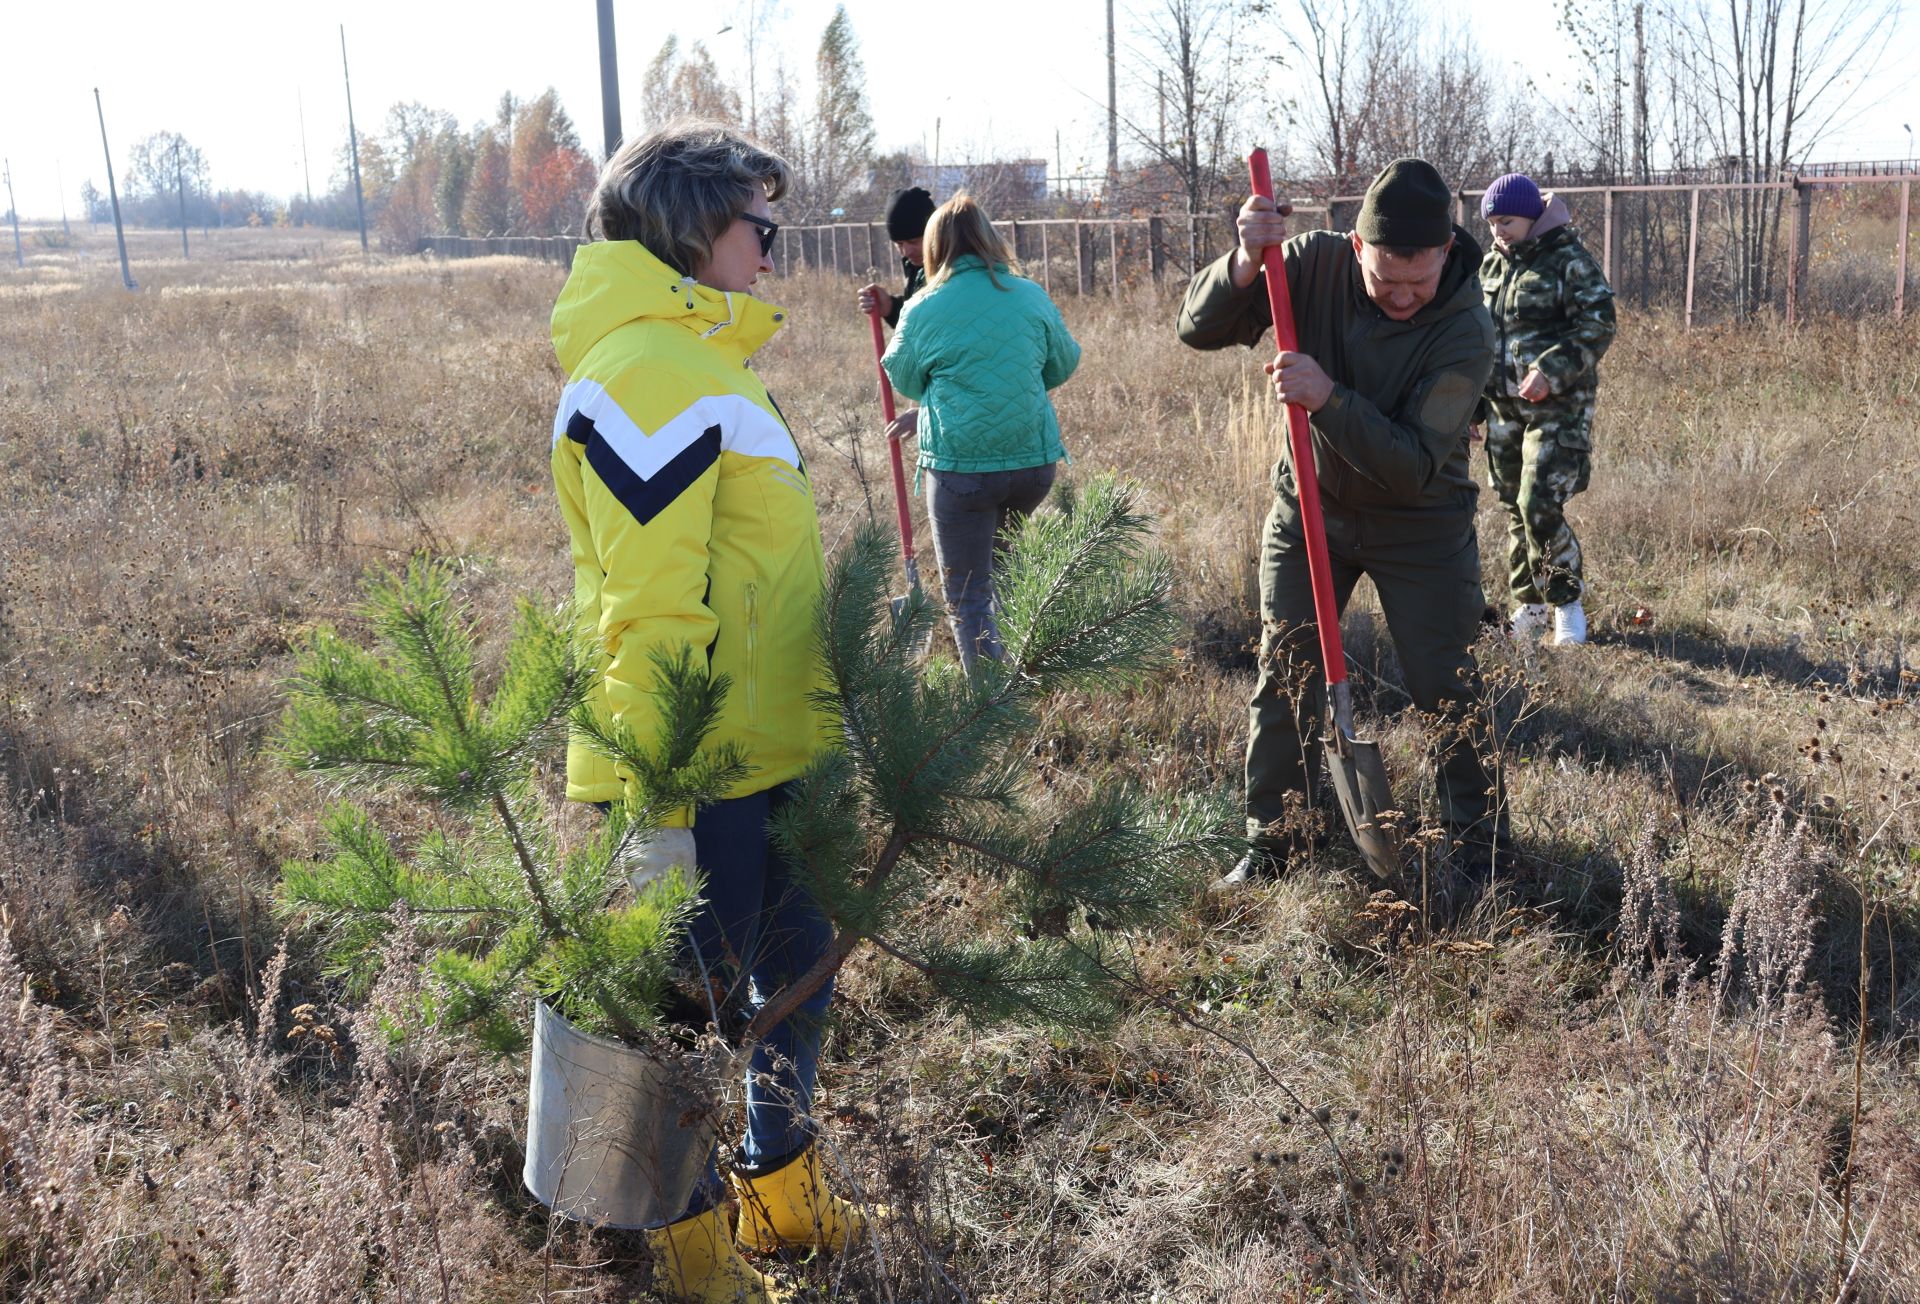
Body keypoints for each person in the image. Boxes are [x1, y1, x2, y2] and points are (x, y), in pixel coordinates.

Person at [550, 122, 859, 1304]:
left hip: (767, 747)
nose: (774, 252)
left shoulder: (700, 358)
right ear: (690, 230)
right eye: (759, 226)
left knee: (793, 975)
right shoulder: (648, 371)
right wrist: (656, 806)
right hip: (702, 767)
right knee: (681, 1010)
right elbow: (647, 612)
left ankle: (782, 1203)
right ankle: (690, 1261)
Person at [1177, 158, 1507, 887]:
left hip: (1421, 524)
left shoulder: (1466, 330)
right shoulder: (1312, 265)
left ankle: (1480, 850)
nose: (1400, 296)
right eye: (1384, 279)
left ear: (1446, 254)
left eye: (1417, 283)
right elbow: (1197, 328)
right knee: (1286, 669)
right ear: (1356, 247)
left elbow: (1412, 462)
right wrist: (1242, 263)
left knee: (1447, 685)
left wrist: (1327, 398)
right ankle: (1277, 841)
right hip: (1313, 512)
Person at [880, 193, 1081, 672]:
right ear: (990, 238)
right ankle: (1026, 676)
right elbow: (1064, 362)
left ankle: (989, 712)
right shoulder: (1029, 294)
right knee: (1009, 578)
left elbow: (904, 378)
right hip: (1032, 465)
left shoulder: (924, 305)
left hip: (960, 470)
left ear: (934, 246)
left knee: (968, 598)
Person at [1476, 172, 1617, 646]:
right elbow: (1478, 339)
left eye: (1508, 220)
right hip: (1502, 410)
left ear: (1533, 216)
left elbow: (1599, 323)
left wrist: (1551, 370)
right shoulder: (1491, 266)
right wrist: (1473, 407)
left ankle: (1566, 606)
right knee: (1515, 509)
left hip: (1558, 410)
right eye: (1493, 222)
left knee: (1539, 503)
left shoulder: (1567, 260)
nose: (1499, 230)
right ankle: (1530, 606)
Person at [856, 184, 935, 325]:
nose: (906, 251)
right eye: (899, 244)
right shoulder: (915, 265)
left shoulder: (957, 269)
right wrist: (890, 308)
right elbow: (916, 326)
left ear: (934, 233)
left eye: (913, 241)